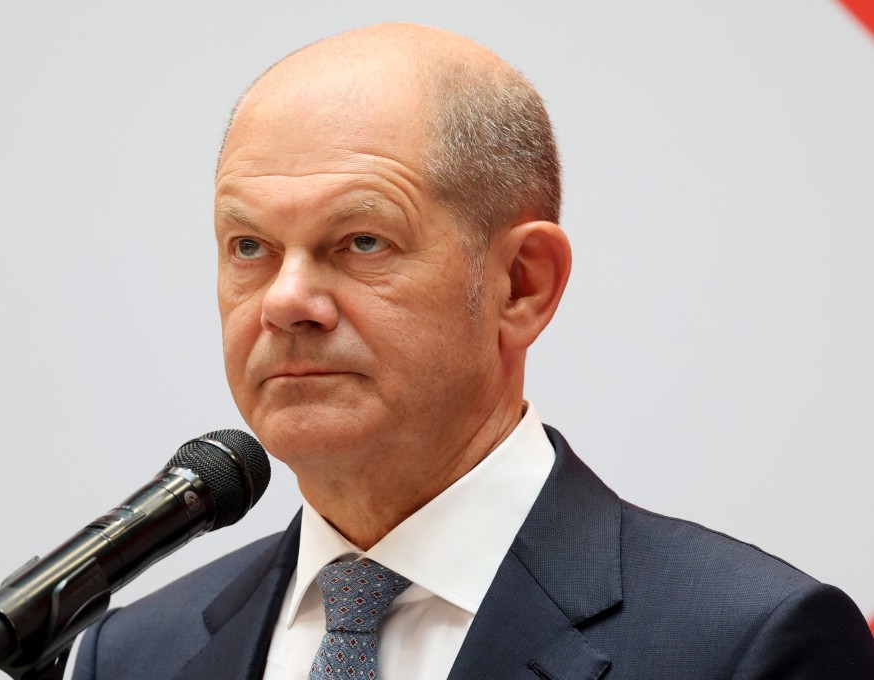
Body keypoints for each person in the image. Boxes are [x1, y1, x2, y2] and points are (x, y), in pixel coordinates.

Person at [72, 22, 874, 679]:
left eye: (360, 240)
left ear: (521, 284)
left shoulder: (742, 645)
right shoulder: (134, 654)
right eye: (249, 247)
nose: (285, 301)